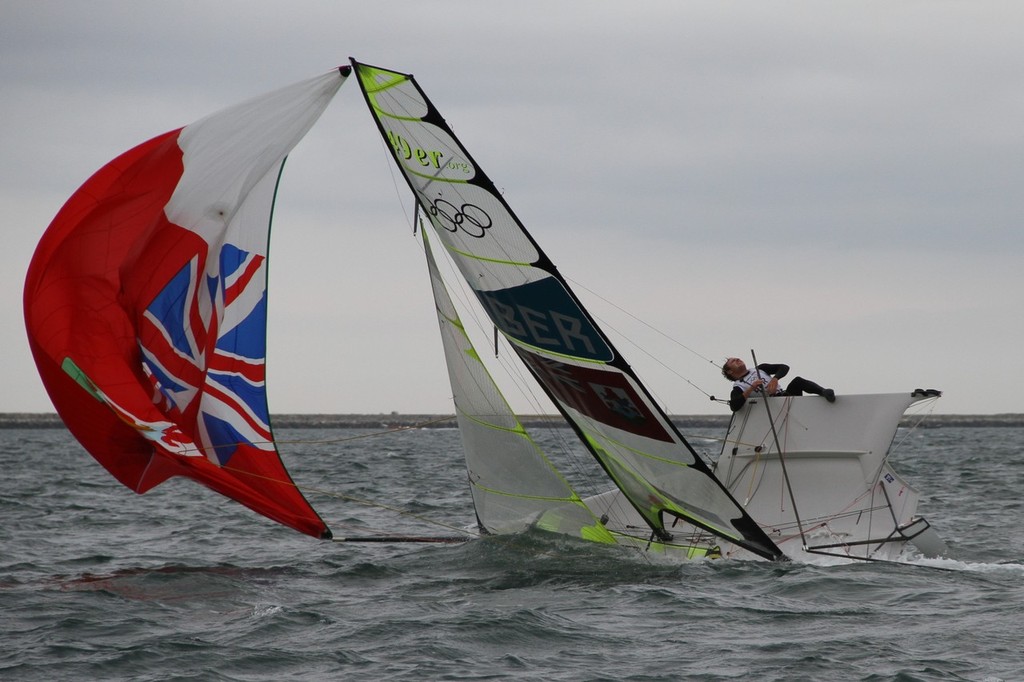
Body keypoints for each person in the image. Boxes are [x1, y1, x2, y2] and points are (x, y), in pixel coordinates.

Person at [721, 357, 835, 412]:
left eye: (737, 358)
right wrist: (751, 388)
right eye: (733, 361)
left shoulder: (760, 369)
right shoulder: (738, 387)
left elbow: (784, 367)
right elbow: (734, 406)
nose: (737, 359)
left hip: (784, 396)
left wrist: (775, 379)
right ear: (730, 371)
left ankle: (823, 392)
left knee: (798, 381)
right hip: (773, 408)